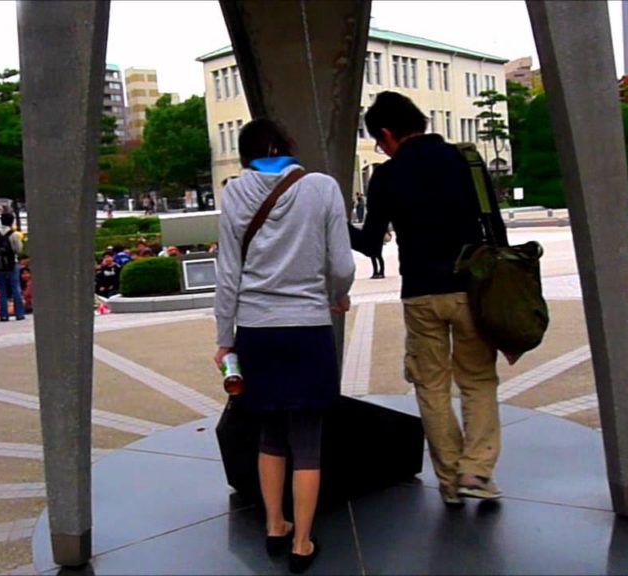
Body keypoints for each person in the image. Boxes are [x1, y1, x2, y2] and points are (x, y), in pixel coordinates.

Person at [214, 119, 354, 573]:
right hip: (308, 328)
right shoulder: (322, 188)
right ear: (288, 145)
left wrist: (224, 339)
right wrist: (337, 294)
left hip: (257, 330)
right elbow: (342, 265)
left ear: (245, 155)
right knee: (307, 439)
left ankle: (275, 525)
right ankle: (302, 542)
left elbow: (227, 275)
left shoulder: (235, 193)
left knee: (270, 432)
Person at [350, 92, 501, 505]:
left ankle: (450, 480)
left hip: (420, 295)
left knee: (431, 386)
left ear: (386, 134)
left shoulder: (386, 176)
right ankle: (476, 470)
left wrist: (334, 224)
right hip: (471, 289)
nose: (381, 149)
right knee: (478, 380)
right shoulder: (466, 160)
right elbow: (495, 228)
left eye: (379, 142)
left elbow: (369, 243)